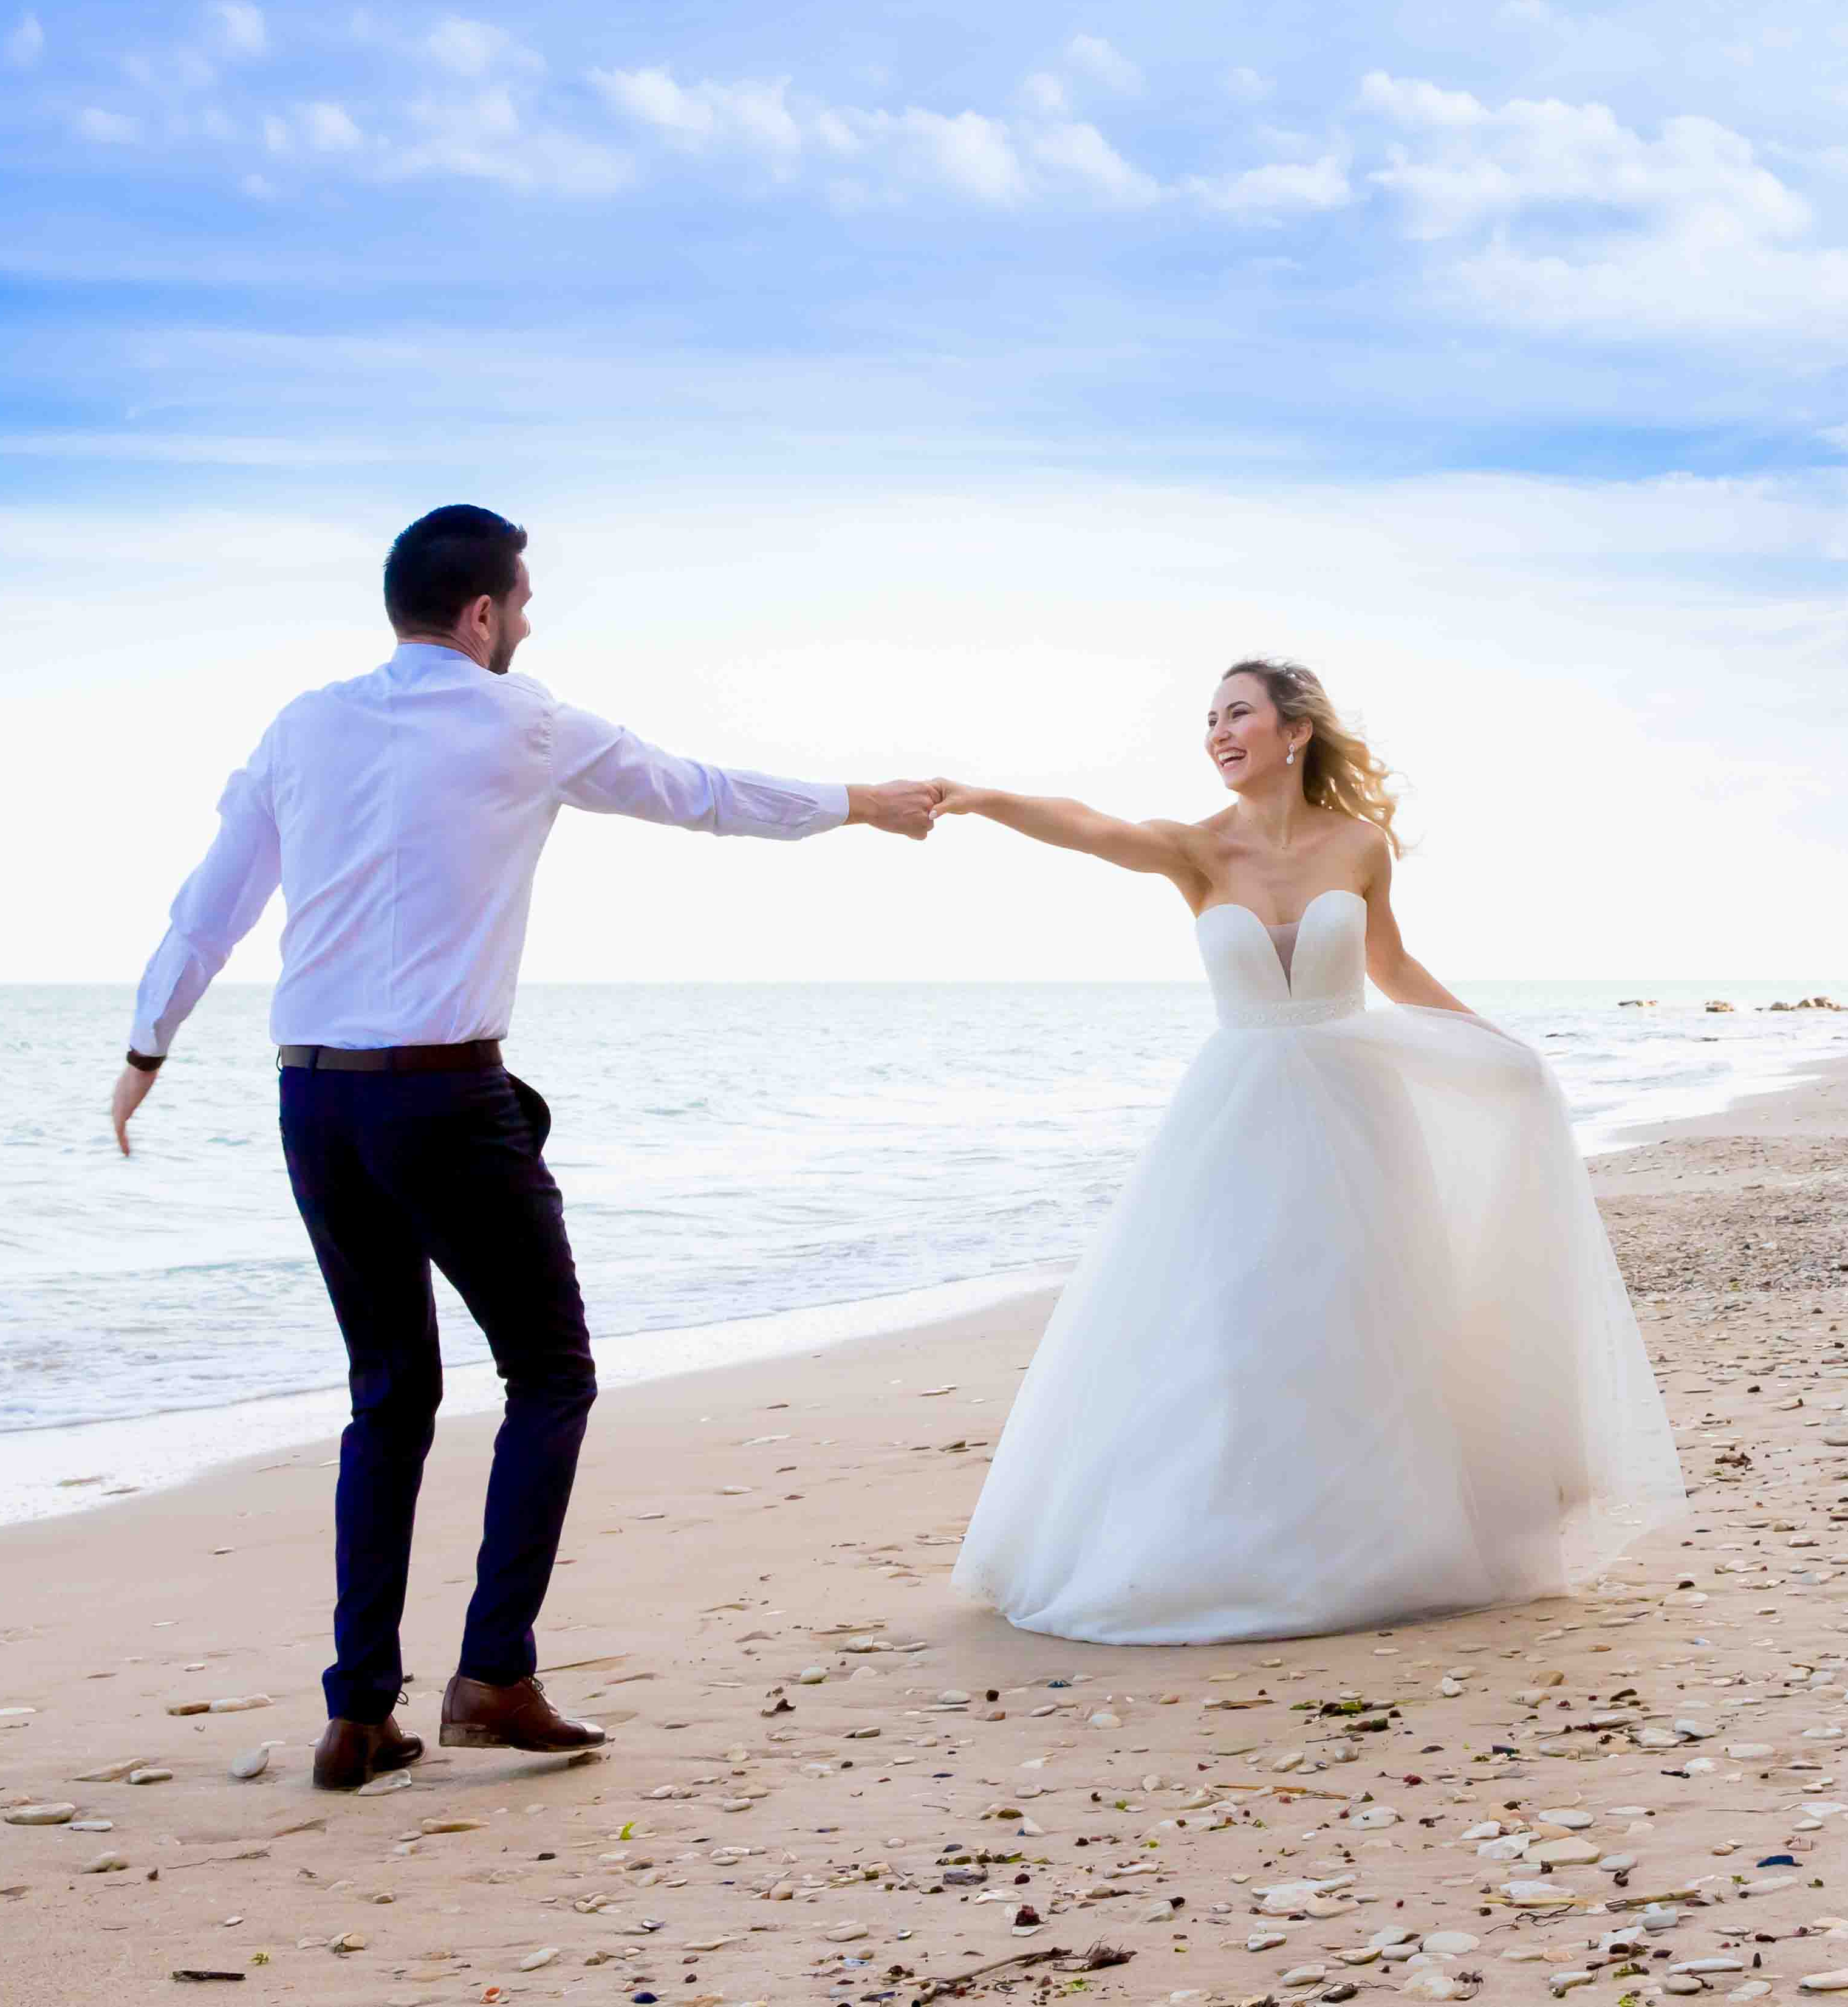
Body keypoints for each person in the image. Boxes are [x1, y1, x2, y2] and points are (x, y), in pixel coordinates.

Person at [109, 504, 942, 1791]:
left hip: (313, 1100)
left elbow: (212, 904)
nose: (530, 625)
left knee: (389, 1394)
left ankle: (357, 1712)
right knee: (549, 1372)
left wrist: (147, 1045)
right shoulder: (526, 719)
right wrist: (861, 803)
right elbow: (701, 794)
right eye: (525, 602)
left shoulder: (301, 725)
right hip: (445, 1101)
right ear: (485, 612)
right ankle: (493, 1672)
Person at [936, 658, 1683, 1642]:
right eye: (1208, 720)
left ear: (1294, 732)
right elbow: (1086, 824)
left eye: (1237, 713)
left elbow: (1391, 964)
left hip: (1355, 1115)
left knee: (1362, 1321)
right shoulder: (1193, 851)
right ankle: (1220, 1544)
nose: (1217, 733)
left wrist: (1496, 1045)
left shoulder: (1359, 845)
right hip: (1235, 1121)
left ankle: (1371, 1545)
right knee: (1236, 1325)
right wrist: (984, 797)